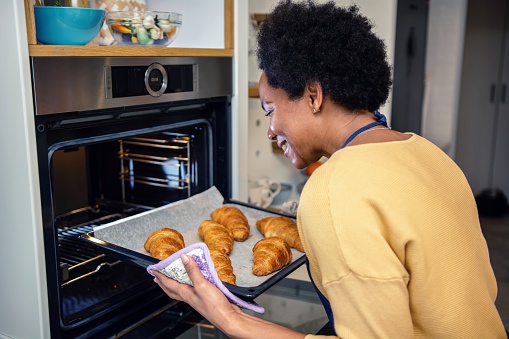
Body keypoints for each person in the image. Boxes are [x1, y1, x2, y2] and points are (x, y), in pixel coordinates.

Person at [151, 1, 507, 337]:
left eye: (270, 110)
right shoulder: (428, 153)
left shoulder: (335, 190)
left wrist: (231, 321)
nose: (271, 130)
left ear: (313, 95)